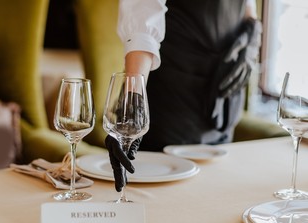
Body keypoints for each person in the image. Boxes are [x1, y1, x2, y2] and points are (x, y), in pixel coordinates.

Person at [105, 0, 262, 191]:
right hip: (172, 101)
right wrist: (133, 101)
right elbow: (143, 16)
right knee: (163, 196)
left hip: (224, 96)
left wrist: (253, 33)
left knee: (211, 193)